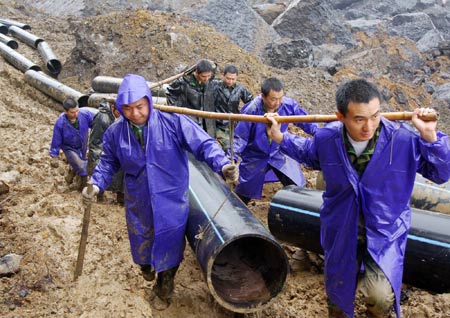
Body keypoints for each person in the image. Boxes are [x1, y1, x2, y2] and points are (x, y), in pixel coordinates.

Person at [266, 78, 450, 318]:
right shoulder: (328, 138)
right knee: (338, 294)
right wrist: (281, 138)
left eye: (375, 116)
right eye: (359, 119)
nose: (369, 126)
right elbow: (310, 154)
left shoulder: (402, 140)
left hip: (385, 231)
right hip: (341, 228)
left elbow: (440, 172)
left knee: (380, 297)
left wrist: (430, 137)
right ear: (340, 117)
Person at [81, 74, 238, 309]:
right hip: (138, 197)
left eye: (140, 107)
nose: (135, 114)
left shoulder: (173, 122)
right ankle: (146, 266)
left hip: (171, 197)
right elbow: (107, 164)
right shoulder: (115, 133)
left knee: (170, 241)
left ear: (149, 101)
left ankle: (165, 286)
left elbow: (203, 143)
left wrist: (223, 164)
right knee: (142, 238)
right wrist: (95, 184)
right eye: (128, 108)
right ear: (120, 108)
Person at [233, 77, 317, 204]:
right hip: (255, 155)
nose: (278, 102)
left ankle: (300, 210)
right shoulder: (251, 110)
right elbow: (240, 137)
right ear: (263, 96)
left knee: (295, 184)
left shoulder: (288, 105)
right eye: (273, 99)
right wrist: (231, 159)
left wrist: (322, 135)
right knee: (243, 192)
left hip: (279, 151)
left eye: (280, 98)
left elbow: (306, 121)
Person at [49, 96, 94, 191]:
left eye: (77, 111)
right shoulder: (60, 123)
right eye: (72, 112)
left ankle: (70, 175)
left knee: (79, 162)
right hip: (69, 148)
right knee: (82, 166)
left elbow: (95, 123)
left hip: (82, 145)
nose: (76, 114)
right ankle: (82, 188)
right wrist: (54, 155)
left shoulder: (84, 114)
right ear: (65, 111)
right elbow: (56, 139)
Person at [166, 59, 216, 137]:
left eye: (208, 76)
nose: (206, 79)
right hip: (189, 119)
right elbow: (170, 92)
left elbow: (214, 67)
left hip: (205, 120)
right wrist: (176, 111)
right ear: (197, 73)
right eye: (203, 76)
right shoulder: (184, 82)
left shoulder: (208, 80)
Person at [87, 100, 124, 204]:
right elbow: (96, 141)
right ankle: (99, 195)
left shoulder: (119, 119)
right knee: (101, 170)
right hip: (102, 150)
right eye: (118, 112)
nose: (120, 115)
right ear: (113, 108)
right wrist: (99, 154)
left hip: (113, 149)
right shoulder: (102, 118)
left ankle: (120, 197)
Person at [211, 64, 253, 150]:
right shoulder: (215, 85)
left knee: (237, 146)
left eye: (233, 79)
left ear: (237, 78)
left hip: (233, 123)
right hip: (217, 122)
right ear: (223, 75)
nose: (230, 81)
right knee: (223, 146)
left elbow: (251, 103)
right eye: (228, 78)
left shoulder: (240, 89)